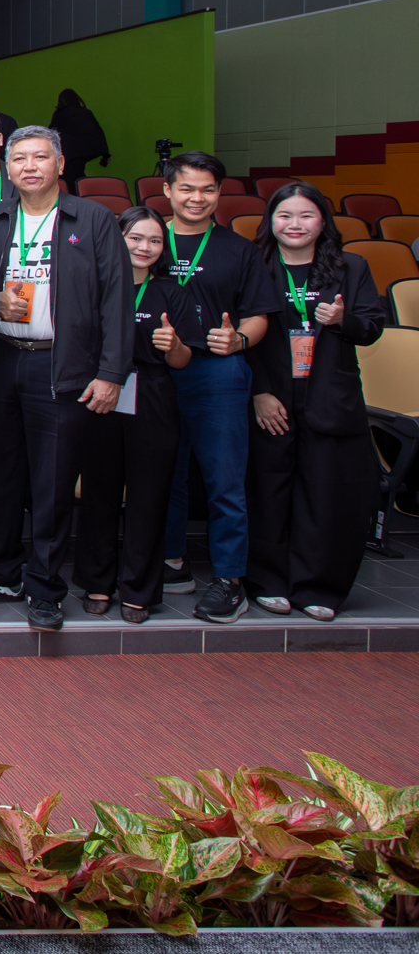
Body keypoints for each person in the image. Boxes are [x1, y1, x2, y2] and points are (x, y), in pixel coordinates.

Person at [0, 128, 127, 631]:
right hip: (2, 359)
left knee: (52, 480)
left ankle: (45, 587)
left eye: (40, 157)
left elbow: (117, 299)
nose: (29, 167)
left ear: (60, 163)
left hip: (61, 364)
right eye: (20, 159)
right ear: (7, 168)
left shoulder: (93, 219)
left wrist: (111, 373)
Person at [246, 182, 387, 621]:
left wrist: (344, 320)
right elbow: (242, 332)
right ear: (271, 220)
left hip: (330, 395)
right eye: (285, 215)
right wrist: (259, 392)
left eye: (306, 215)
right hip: (271, 395)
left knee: (327, 494)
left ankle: (318, 587)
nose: (295, 224)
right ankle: (269, 582)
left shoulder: (351, 266)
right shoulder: (255, 264)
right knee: (268, 491)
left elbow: (372, 327)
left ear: (323, 221)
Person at [156, 151, 281, 623]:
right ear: (167, 190)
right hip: (155, 372)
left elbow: (259, 315)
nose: (197, 198)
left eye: (208, 189)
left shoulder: (239, 249)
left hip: (217, 373)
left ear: (219, 193)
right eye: (186, 188)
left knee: (224, 479)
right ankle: (172, 562)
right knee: (163, 474)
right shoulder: (149, 240)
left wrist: (239, 340)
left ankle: (230, 580)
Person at [73, 207, 194, 623]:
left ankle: (139, 590)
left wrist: (174, 345)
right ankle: (97, 583)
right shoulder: (94, 286)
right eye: (136, 238)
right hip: (100, 396)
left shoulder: (172, 293)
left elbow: (183, 360)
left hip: (154, 398)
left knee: (149, 497)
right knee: (99, 494)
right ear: (117, 239)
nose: (145, 247)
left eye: (155, 240)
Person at [49, 89, 112, 191]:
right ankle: (82, 194)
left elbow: (51, 132)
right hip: (86, 151)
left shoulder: (61, 114)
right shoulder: (86, 112)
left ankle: (74, 196)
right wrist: (105, 154)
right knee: (77, 175)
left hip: (70, 152)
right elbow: (97, 131)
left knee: (69, 178)